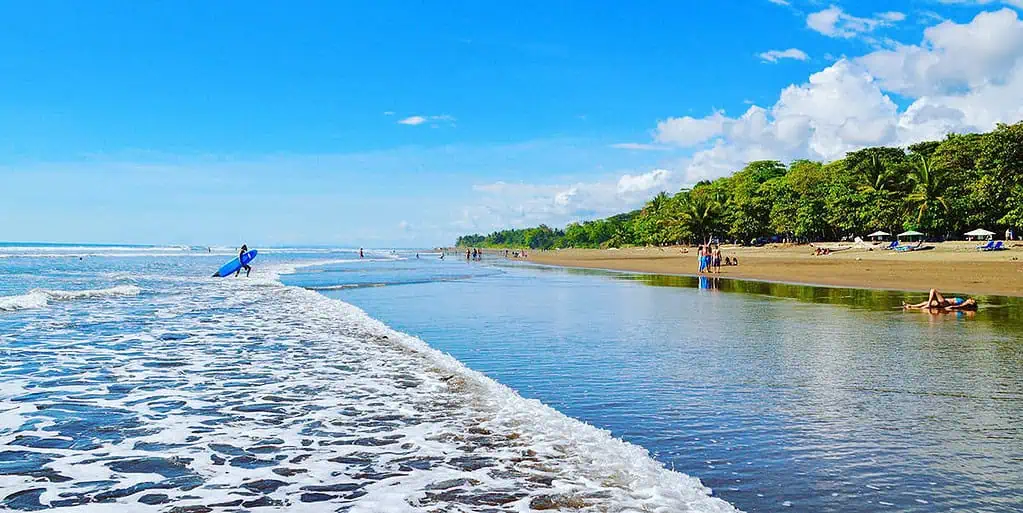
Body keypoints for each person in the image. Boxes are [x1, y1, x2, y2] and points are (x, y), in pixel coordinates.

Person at [903, 289, 977, 311]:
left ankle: (928, 305)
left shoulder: (965, 303)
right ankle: (910, 306)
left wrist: (951, 307)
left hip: (945, 303)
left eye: (971, 300)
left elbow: (959, 306)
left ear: (971, 303)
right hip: (944, 303)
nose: (970, 299)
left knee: (933, 290)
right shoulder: (964, 302)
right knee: (925, 303)